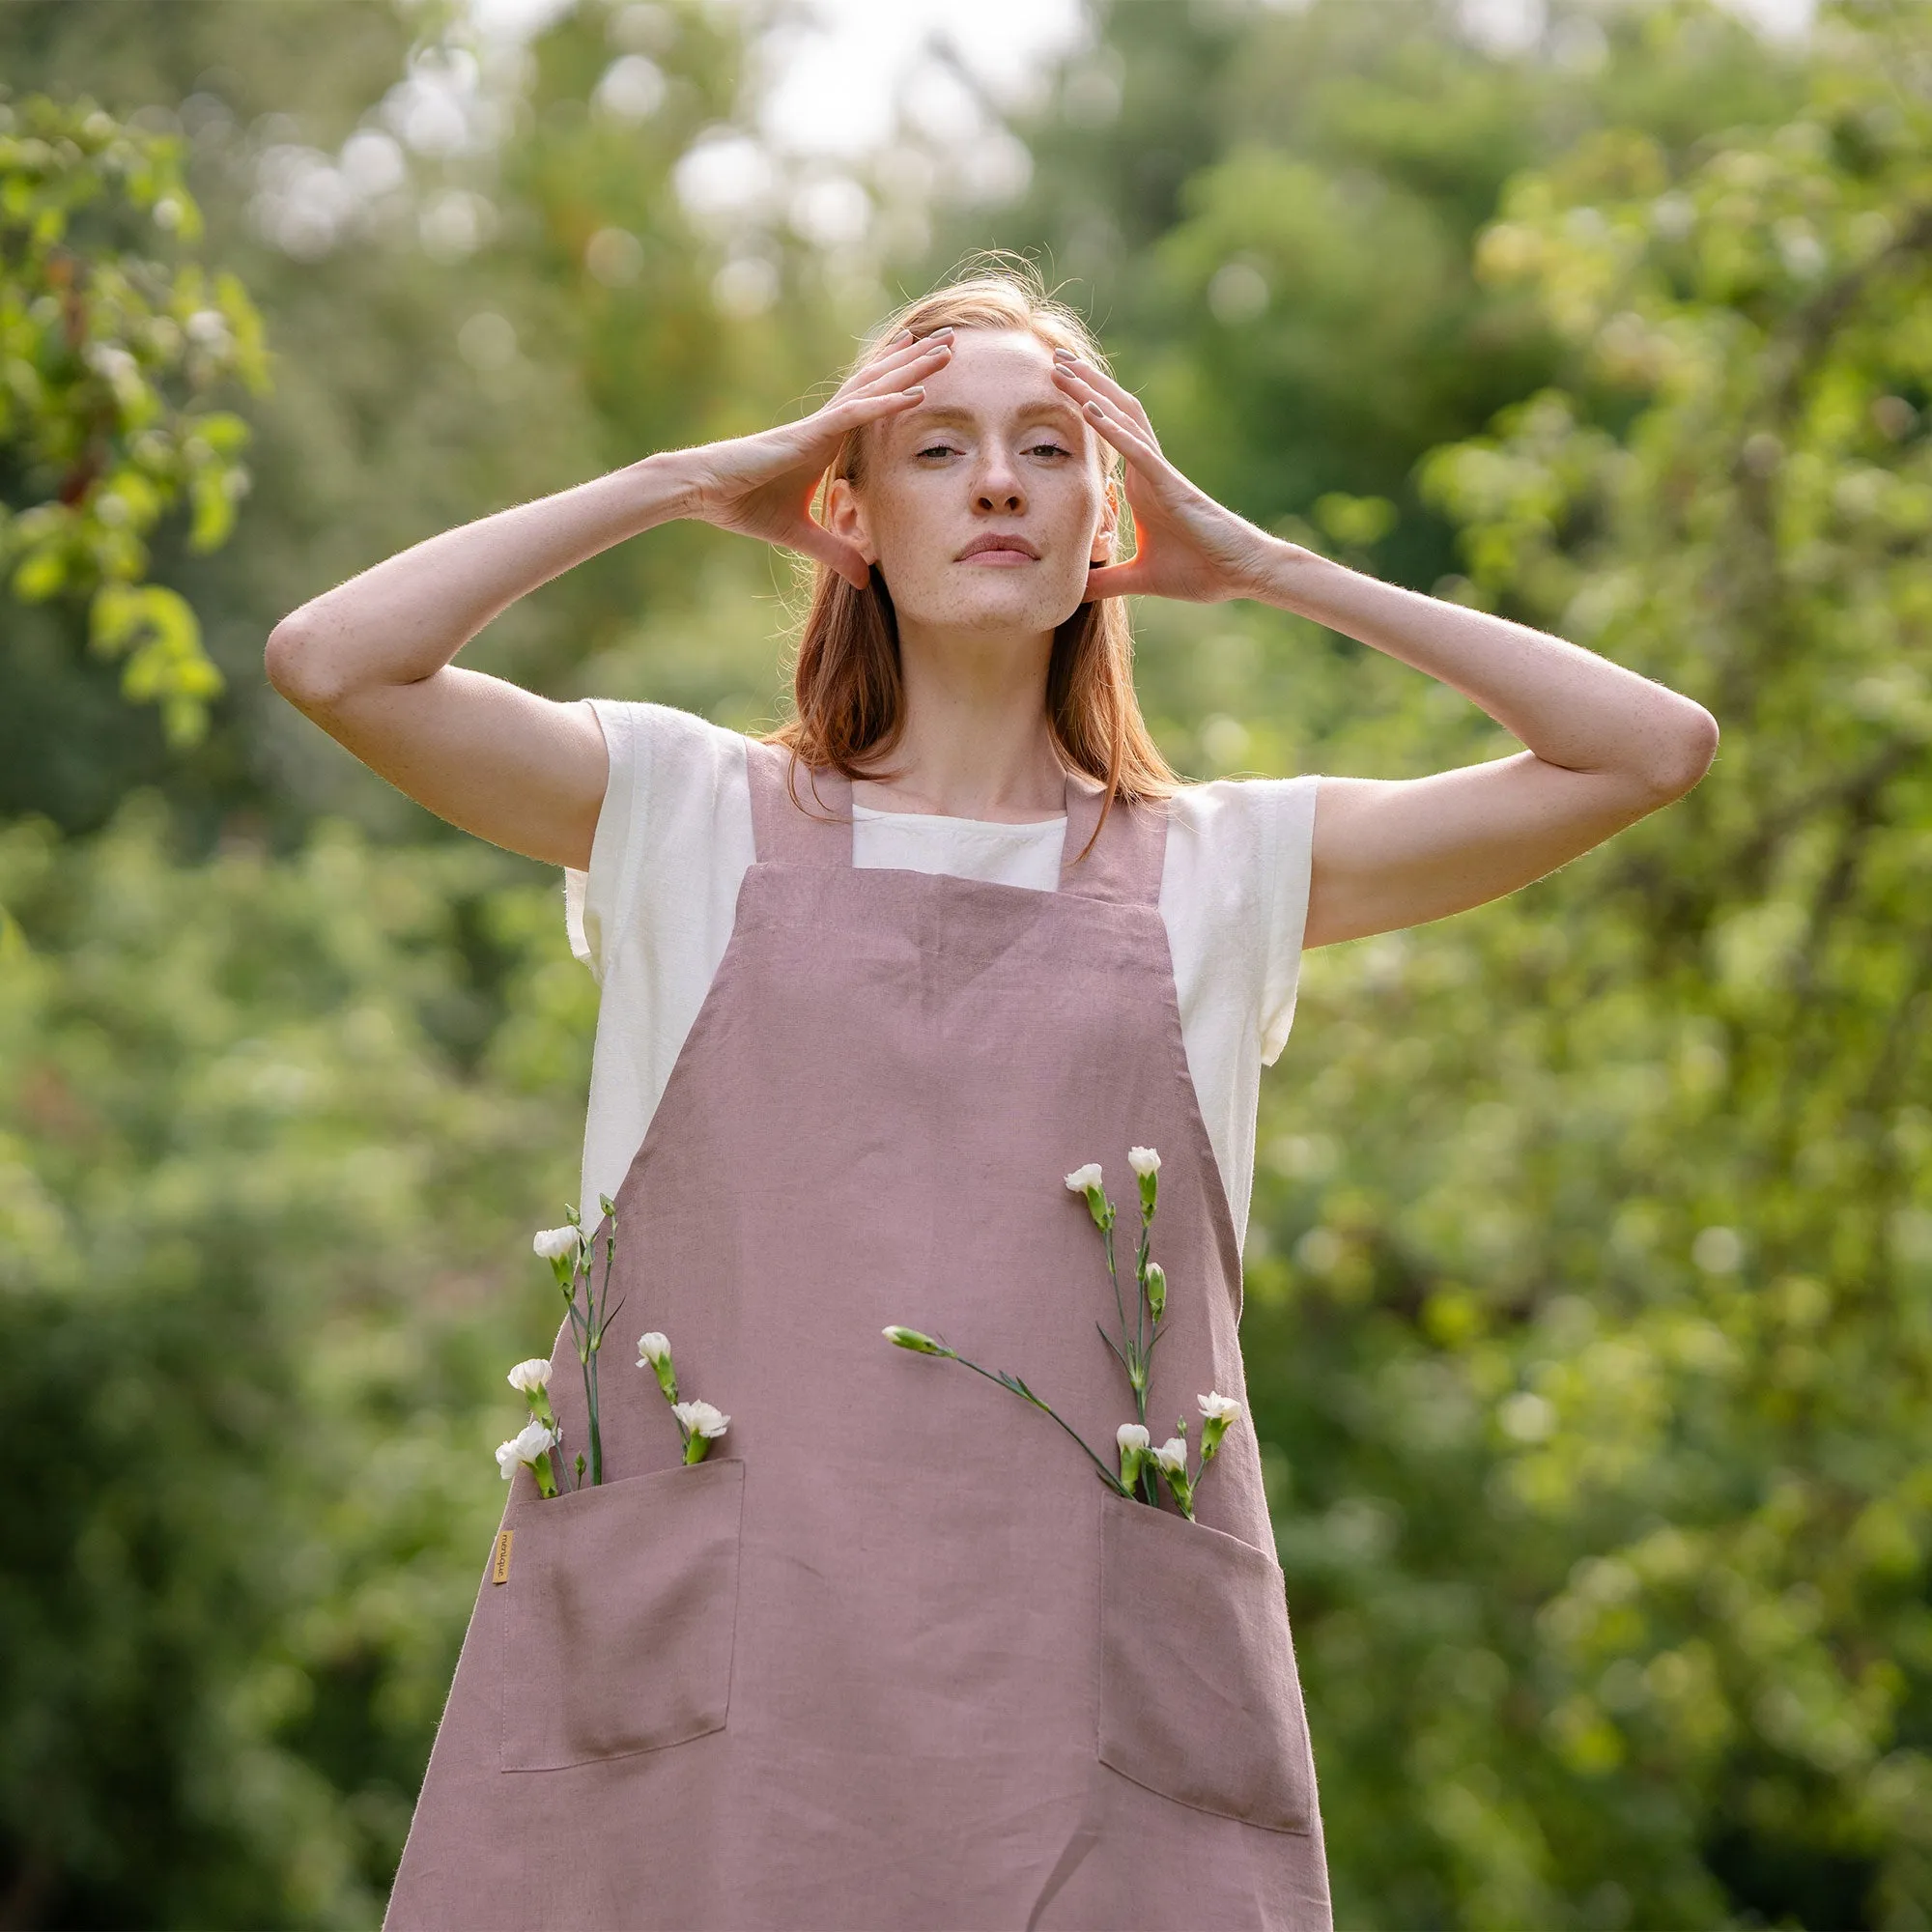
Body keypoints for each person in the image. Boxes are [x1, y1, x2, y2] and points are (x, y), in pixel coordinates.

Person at [266, 265, 1717, 1930]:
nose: (1002, 481)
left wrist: (1260, 566)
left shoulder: (1223, 868)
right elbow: (334, 661)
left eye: (1051, 444)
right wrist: (684, 482)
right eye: (937, 448)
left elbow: (1650, 748)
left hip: (1073, 1714)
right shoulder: (683, 812)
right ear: (850, 509)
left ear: (1112, 518)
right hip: (726, 1694)